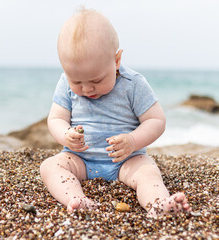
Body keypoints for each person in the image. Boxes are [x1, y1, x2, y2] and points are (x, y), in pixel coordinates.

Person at [40, 8, 191, 217]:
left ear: (116, 61)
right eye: (76, 81)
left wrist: (133, 140)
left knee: (148, 172)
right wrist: (65, 134)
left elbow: (156, 120)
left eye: (96, 80)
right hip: (79, 160)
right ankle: (75, 199)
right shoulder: (65, 83)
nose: (86, 89)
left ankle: (158, 204)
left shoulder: (133, 84)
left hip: (126, 162)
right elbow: (56, 118)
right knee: (50, 167)